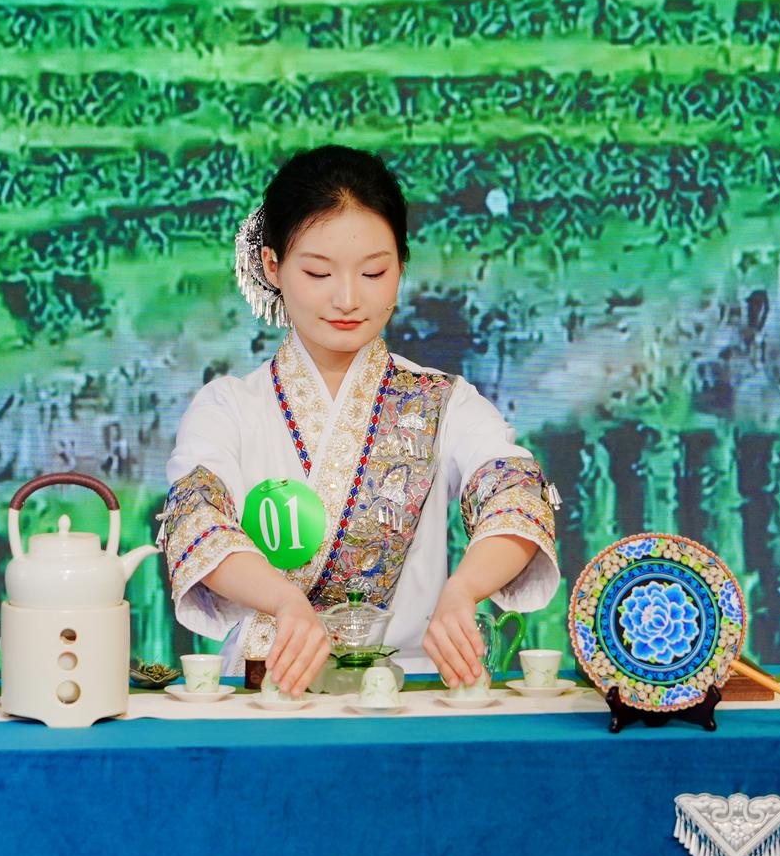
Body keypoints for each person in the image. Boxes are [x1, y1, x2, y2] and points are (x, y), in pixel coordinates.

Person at [158, 145, 560, 695]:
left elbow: (517, 494)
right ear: (272, 266)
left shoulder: (442, 402)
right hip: (266, 690)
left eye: (374, 272)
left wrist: (464, 590)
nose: (347, 298)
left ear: (401, 267)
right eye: (318, 272)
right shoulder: (229, 407)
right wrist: (283, 601)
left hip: (407, 692)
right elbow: (195, 519)